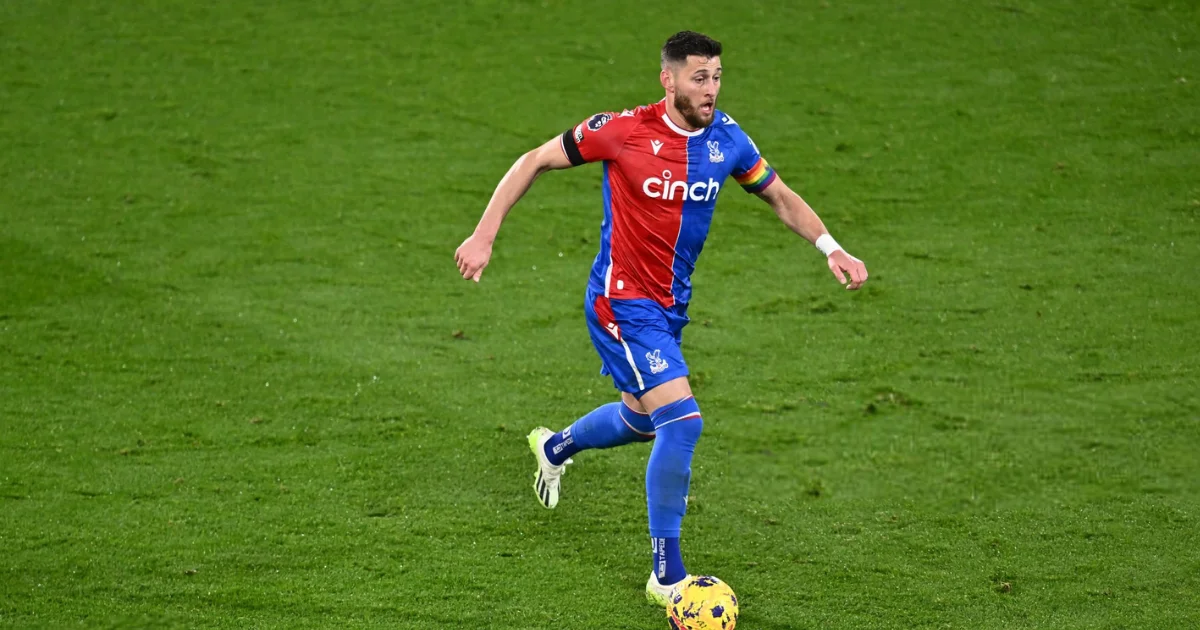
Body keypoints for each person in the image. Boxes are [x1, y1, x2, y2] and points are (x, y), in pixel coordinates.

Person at [453, 30, 868, 606]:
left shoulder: (727, 141)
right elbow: (535, 160)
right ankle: (665, 575)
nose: (711, 90)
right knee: (683, 421)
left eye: (717, 77)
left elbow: (779, 196)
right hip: (620, 304)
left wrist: (832, 247)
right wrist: (484, 233)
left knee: (644, 420)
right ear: (668, 79)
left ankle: (554, 449)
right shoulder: (621, 131)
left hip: (670, 306)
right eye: (700, 78)